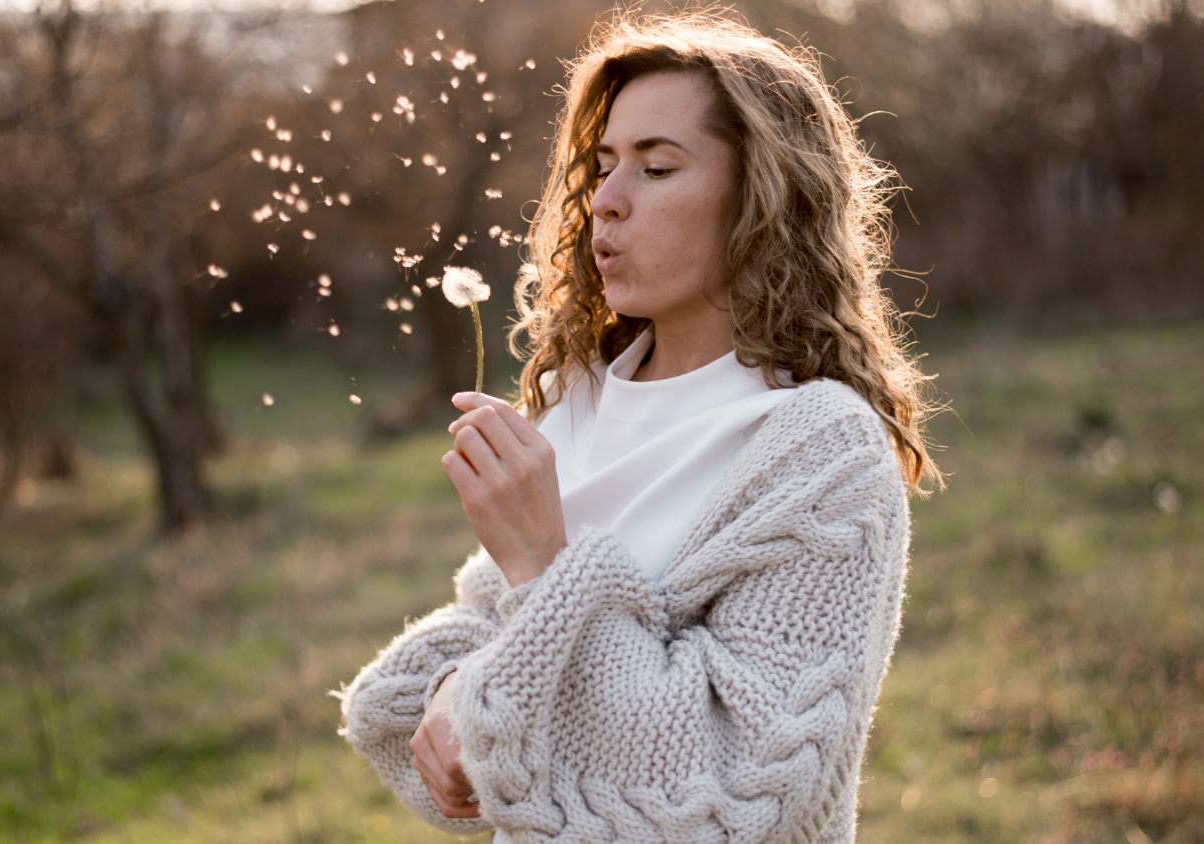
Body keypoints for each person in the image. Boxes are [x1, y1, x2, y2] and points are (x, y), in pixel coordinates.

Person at [334, 9, 941, 843]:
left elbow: (728, 792)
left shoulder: (818, 452)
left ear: (762, 197)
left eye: (657, 168)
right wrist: (455, 685)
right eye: (602, 166)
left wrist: (542, 566)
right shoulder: (576, 396)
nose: (606, 205)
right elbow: (473, 643)